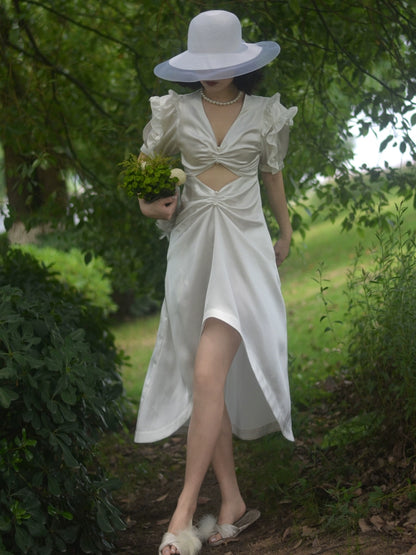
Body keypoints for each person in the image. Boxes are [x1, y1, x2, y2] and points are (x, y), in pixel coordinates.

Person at [134, 9, 297, 555]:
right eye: (202, 63)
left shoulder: (265, 114)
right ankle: (230, 501)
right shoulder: (174, 111)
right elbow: (145, 181)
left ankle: (182, 513)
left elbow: (272, 174)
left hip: (245, 255)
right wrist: (151, 205)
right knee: (207, 381)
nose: (211, 72)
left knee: (207, 371)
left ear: (242, 62)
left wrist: (286, 231)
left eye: (221, 62)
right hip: (192, 254)